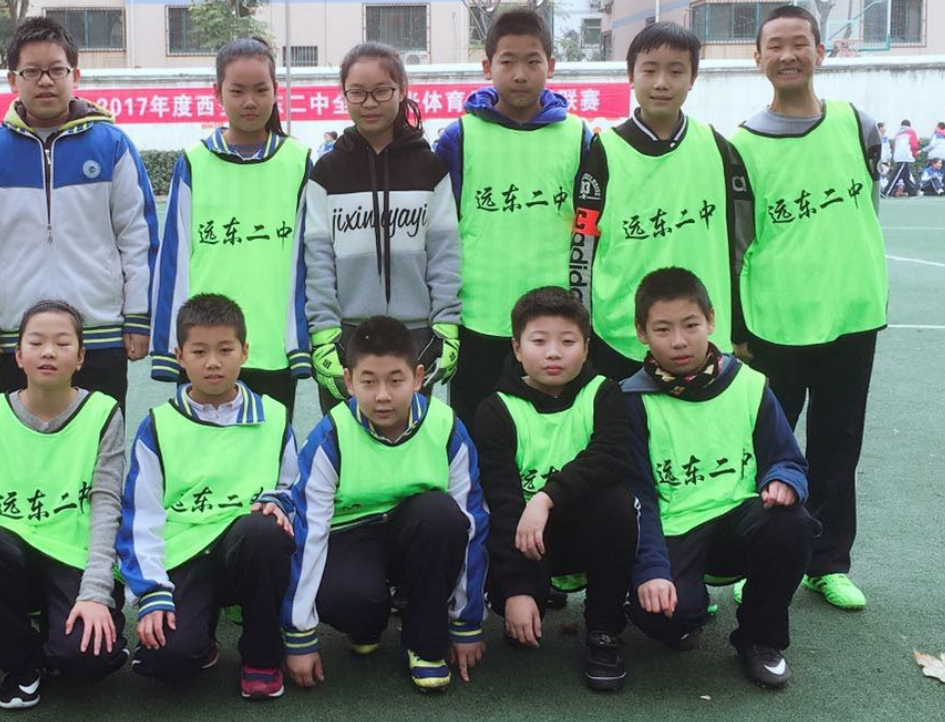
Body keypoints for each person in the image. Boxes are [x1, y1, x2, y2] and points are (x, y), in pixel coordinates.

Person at [728, 5, 886, 610]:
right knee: (764, 447)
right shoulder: (741, 144)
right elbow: (738, 241)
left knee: (838, 444)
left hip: (851, 315)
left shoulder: (856, 124)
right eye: (775, 45)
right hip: (775, 320)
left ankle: (828, 563)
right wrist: (739, 326)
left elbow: (869, 211)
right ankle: (753, 557)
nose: (788, 55)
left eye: (800, 43)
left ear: (821, 52)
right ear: (758, 58)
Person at [622, 268, 813, 688]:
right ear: (641, 332)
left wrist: (783, 480)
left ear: (710, 320)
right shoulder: (629, 399)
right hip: (671, 531)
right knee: (666, 617)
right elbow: (636, 495)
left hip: (737, 523)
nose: (678, 341)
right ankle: (680, 605)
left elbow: (787, 458)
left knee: (791, 522)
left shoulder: (749, 385)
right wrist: (651, 568)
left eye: (690, 325)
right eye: (662, 329)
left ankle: (760, 639)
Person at [0, 300, 128, 710]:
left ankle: (88, 625)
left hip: (75, 558)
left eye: (62, 343)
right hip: (11, 553)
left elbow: (107, 505)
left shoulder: (103, 412)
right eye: (36, 342)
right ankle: (21, 660)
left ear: (81, 357)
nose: (49, 352)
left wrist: (96, 593)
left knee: (85, 663)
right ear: (19, 355)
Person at [0, 17, 158, 406]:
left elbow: (137, 236)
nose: (45, 81)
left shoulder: (112, 145)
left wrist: (138, 314)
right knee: (24, 438)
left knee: (101, 438)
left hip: (99, 332)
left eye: (56, 70)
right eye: (32, 72)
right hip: (21, 336)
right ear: (13, 80)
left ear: (75, 75)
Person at [283, 316, 489, 694]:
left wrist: (466, 623)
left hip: (418, 534)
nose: (382, 396)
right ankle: (367, 621)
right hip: (353, 536)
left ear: (418, 377)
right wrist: (300, 637)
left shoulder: (446, 427)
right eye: (369, 382)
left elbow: (472, 523)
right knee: (349, 598)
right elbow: (308, 532)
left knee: (443, 517)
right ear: (348, 382)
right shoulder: (331, 435)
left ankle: (424, 640)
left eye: (395, 381)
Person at [117, 294, 298, 701]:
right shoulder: (158, 425)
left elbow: (295, 489)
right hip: (184, 557)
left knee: (264, 530)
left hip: (246, 550)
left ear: (245, 351)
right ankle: (200, 632)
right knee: (169, 660)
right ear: (180, 357)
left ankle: (261, 657)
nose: (213, 362)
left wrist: (280, 503)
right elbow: (139, 517)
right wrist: (151, 593)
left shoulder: (273, 416)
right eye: (199, 352)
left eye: (225, 350)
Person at [433, 7, 590, 436]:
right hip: (479, 319)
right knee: (478, 435)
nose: (520, 74)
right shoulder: (458, 138)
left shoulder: (578, 136)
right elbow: (440, 232)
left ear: (551, 65)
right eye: (507, 61)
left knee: (555, 437)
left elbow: (589, 231)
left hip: (555, 321)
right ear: (487, 67)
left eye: (532, 61)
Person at [473, 287, 636, 691]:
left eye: (567, 342)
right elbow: (503, 503)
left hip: (586, 533)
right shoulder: (495, 410)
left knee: (617, 504)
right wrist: (517, 589)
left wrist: (545, 498)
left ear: (586, 347)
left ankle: (604, 631)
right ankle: (528, 598)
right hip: (524, 541)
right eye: (539, 341)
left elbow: (611, 456)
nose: (553, 353)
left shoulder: (604, 392)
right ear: (517, 348)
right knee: (503, 543)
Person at [573, 21, 747, 381]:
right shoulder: (605, 151)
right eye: (650, 70)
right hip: (620, 334)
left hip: (700, 334)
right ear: (631, 76)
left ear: (693, 78)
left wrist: (740, 323)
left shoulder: (717, 147)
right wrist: (581, 322)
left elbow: (737, 243)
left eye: (676, 71)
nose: (662, 83)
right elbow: (583, 243)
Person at [150, 38, 311, 413]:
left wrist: (298, 341)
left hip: (272, 348)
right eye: (237, 91)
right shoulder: (194, 161)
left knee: (270, 445)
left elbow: (307, 259)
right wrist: (168, 346)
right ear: (217, 92)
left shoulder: (297, 161)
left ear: (276, 91)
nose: (250, 101)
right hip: (204, 347)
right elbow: (174, 257)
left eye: (261, 90)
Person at [305, 42, 461, 412]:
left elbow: (444, 253)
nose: (370, 103)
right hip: (346, 335)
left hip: (416, 335)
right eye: (357, 93)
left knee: (409, 437)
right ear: (344, 94)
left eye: (381, 91)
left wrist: (447, 322)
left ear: (402, 90)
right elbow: (318, 258)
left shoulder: (429, 168)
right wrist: (324, 331)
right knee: (343, 440)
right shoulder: (327, 172)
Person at [888, 118, 919, 196]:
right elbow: (914, 146)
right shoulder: (911, 132)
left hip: (898, 156)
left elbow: (895, 145)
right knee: (895, 175)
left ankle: (912, 192)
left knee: (906, 176)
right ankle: (887, 191)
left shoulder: (898, 133)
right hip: (905, 156)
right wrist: (914, 154)